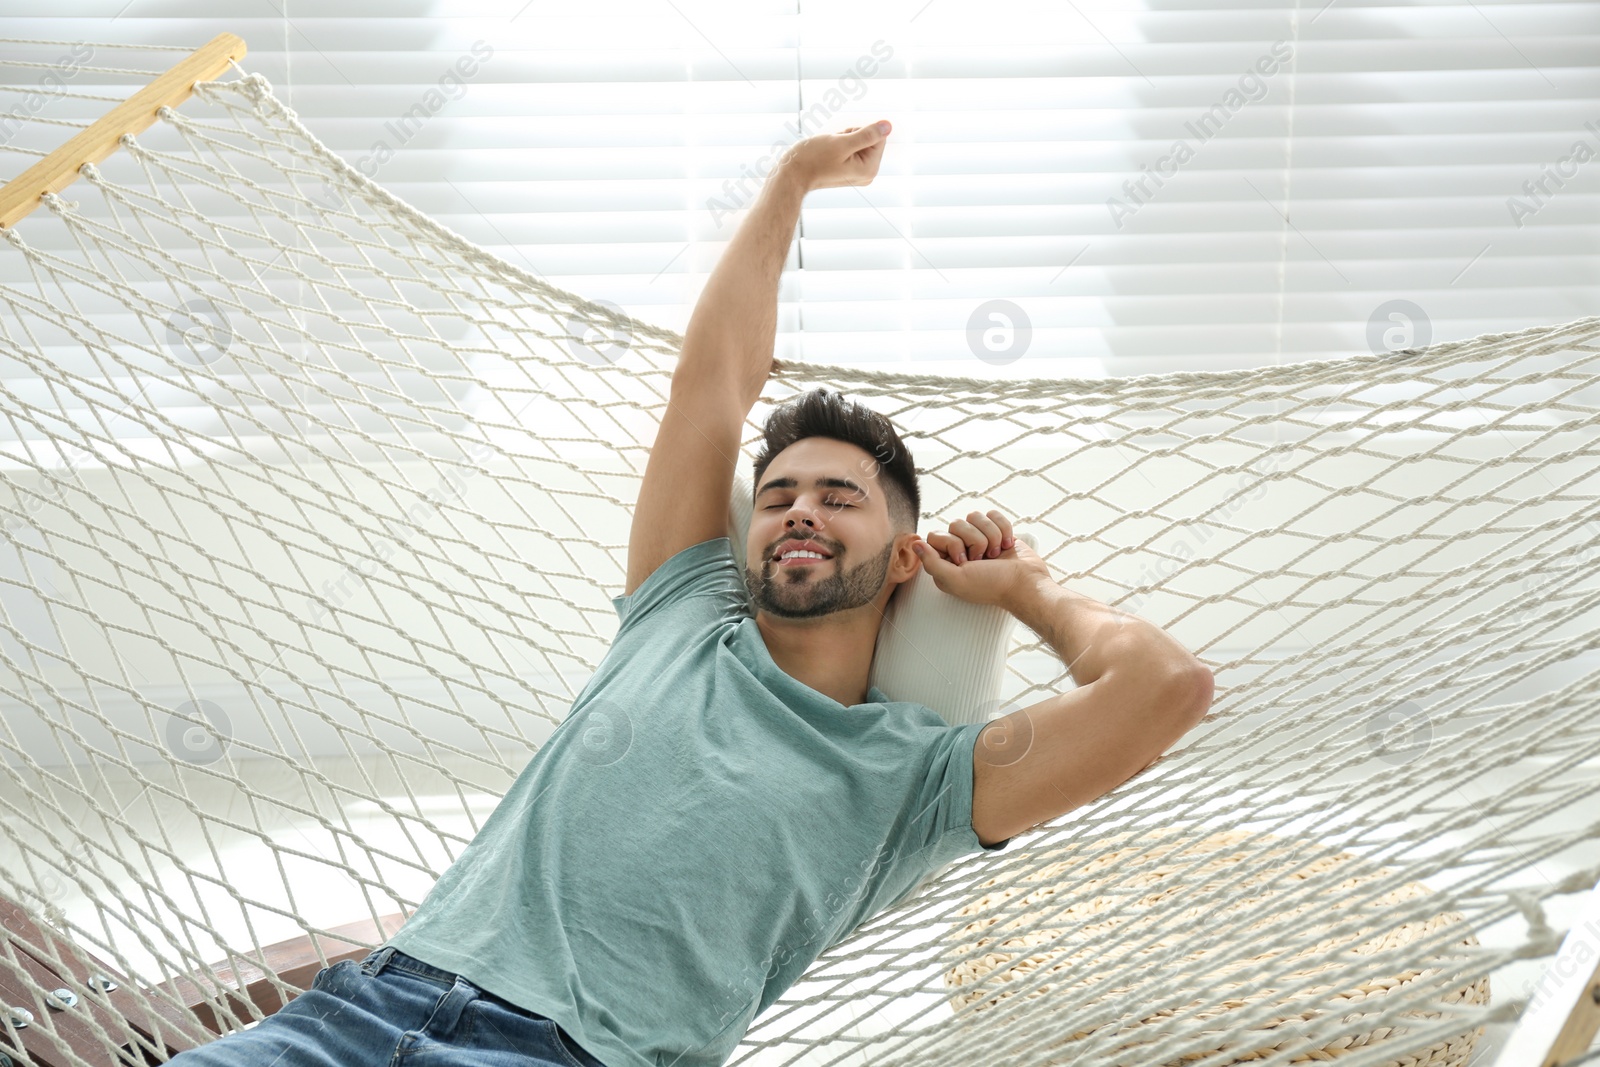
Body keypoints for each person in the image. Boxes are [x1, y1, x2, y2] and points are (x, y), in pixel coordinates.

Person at [167, 119, 1213, 1067]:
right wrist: (790, 185)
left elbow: (1164, 687)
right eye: (779, 493)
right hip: (347, 1013)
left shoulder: (918, 777)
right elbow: (712, 379)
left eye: (839, 496)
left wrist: (1028, 591)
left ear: (902, 557)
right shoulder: (678, 610)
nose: (799, 508)